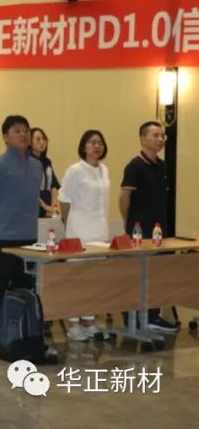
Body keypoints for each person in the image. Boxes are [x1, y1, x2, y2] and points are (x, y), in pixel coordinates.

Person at [0, 115, 42, 341]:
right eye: (17, 130)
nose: (23, 134)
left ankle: (21, 331)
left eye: (26, 130)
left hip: (30, 236)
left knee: (25, 284)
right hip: (5, 237)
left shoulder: (36, 165)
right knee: (1, 284)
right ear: (5, 137)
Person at [120, 121, 177, 333]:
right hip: (139, 231)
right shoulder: (134, 166)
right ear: (143, 138)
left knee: (157, 274)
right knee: (138, 275)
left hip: (159, 231)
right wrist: (129, 222)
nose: (160, 139)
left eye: (162, 136)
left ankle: (153, 316)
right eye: (155, 135)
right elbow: (124, 197)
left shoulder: (162, 166)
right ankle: (133, 317)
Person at [59, 129, 110, 340]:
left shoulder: (104, 170)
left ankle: (89, 319)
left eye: (100, 142)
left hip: (100, 231)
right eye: (92, 142)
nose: (97, 146)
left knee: (95, 279)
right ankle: (73, 322)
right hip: (78, 230)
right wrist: (68, 224)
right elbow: (64, 200)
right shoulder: (75, 170)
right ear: (83, 146)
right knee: (77, 279)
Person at [31, 127, 61, 218]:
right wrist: (44, 206)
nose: (42, 142)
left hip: (48, 209)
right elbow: (28, 190)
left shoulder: (47, 162)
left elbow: (53, 186)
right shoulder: (27, 162)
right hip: (33, 208)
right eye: (38, 139)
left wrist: (53, 207)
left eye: (44, 139)